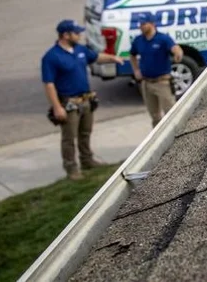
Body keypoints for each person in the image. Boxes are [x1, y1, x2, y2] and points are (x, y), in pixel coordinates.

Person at [41, 19, 124, 180]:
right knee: (69, 138)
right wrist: (57, 107)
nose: (79, 35)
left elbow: (96, 57)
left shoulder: (80, 49)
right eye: (76, 32)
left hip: (86, 100)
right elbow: (49, 84)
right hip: (69, 103)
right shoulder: (51, 57)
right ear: (65, 35)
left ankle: (87, 160)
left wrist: (113, 58)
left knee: (85, 132)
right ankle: (71, 168)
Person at [129, 13, 184, 127]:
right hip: (146, 83)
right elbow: (132, 55)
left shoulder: (163, 39)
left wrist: (178, 53)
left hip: (162, 82)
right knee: (155, 116)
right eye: (140, 24)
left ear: (152, 24)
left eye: (144, 24)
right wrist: (136, 70)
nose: (141, 26)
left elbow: (175, 48)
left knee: (171, 113)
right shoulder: (138, 40)